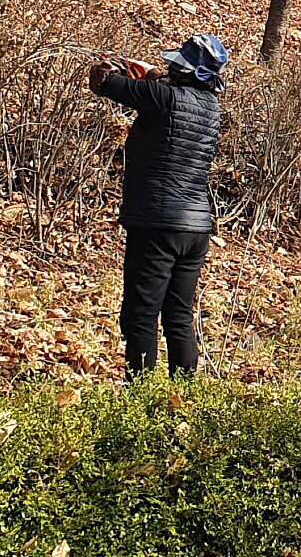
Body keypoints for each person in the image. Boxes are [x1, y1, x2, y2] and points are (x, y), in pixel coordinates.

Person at [88, 35, 228, 379]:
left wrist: (111, 65)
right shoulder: (211, 108)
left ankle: (140, 401)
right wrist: (148, 73)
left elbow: (103, 83)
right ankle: (182, 401)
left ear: (181, 69)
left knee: (140, 316)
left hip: (157, 222)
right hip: (196, 227)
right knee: (178, 317)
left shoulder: (162, 98)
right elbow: (168, 90)